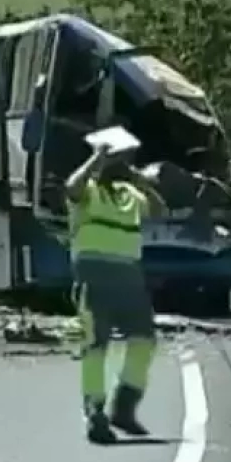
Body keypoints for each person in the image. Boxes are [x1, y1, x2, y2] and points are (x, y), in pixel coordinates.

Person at [65, 142, 166, 444]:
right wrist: (96, 159)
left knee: (144, 342)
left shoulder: (130, 196)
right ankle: (95, 414)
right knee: (95, 348)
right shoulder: (88, 193)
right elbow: (71, 186)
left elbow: (160, 210)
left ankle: (125, 406)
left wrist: (138, 180)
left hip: (130, 282)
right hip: (94, 282)